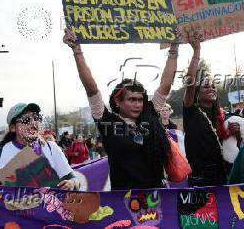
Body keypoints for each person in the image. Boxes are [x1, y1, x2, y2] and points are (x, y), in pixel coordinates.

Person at [64, 28, 178, 190]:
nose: (138, 104)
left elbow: (166, 85)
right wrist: (77, 50)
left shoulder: (149, 114)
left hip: (157, 198)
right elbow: (91, 88)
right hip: (123, 202)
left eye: (140, 100)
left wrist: (174, 47)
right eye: (132, 100)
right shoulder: (107, 121)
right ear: (118, 101)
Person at [0, 103, 79, 190]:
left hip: (45, 216)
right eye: (26, 120)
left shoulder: (51, 148)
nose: (33, 123)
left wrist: (72, 183)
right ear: (13, 128)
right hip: (11, 217)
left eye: (36, 118)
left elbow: (75, 180)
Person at [182, 31, 241, 187]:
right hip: (200, 176)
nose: (212, 89)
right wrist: (196, 51)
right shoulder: (192, 111)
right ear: (197, 93)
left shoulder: (222, 116)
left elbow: (235, 147)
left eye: (214, 87)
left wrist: (237, 134)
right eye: (206, 86)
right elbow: (189, 82)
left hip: (222, 173)